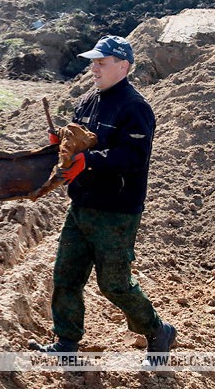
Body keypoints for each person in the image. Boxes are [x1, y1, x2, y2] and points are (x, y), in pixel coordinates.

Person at [29, 36, 176, 365]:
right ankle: (66, 342)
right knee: (66, 274)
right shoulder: (88, 101)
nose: (93, 67)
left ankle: (157, 330)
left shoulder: (135, 107)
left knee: (114, 284)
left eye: (102, 62)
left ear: (123, 67)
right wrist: (61, 142)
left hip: (116, 209)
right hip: (82, 202)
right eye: (93, 61)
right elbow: (76, 137)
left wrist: (89, 160)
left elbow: (134, 156)